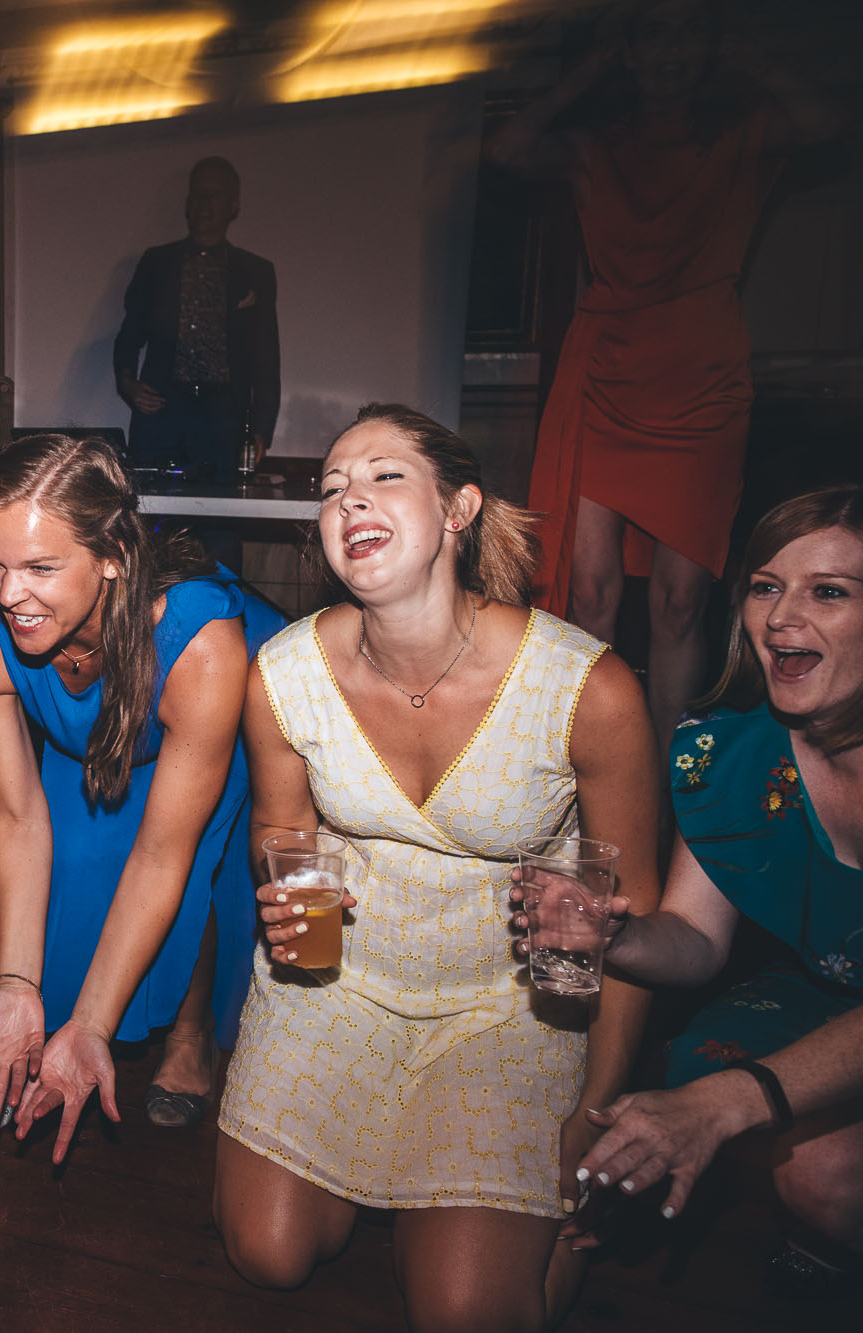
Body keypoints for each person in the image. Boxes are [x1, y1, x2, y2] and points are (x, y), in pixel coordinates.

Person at [213, 405, 660, 1332]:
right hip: (336, 985)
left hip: (511, 1006)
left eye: (382, 476)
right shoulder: (284, 671)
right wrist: (293, 904)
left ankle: (514, 1234)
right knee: (268, 1255)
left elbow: (638, 918)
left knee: (466, 1315)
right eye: (330, 488)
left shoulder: (587, 687)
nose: (349, 500)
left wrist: (599, 1099)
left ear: (459, 508)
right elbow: (281, 834)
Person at [486, 0, 842, 756]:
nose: (671, 47)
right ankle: (591, 759)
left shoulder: (738, 137)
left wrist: (750, 56)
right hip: (607, 370)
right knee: (590, 594)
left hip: (702, 381)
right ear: (629, 48)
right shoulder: (597, 144)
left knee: (682, 603)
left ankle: (660, 779)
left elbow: (828, 125)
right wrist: (590, 67)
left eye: (688, 31)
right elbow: (511, 148)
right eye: (654, 32)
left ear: (710, 47)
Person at [533, 484, 863, 1294]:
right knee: (730, 1102)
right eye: (765, 586)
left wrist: (728, 1103)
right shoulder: (735, 753)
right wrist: (618, 935)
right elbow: (695, 937)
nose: (782, 617)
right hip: (830, 990)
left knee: (799, 1156)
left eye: (828, 591)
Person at [0, 433, 280, 1159]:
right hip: (84, 731)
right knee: (77, 870)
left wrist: (90, 1025)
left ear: (112, 556)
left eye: (40, 567)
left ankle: (189, 1034)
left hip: (205, 702)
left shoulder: (203, 644)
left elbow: (163, 855)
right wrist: (13, 979)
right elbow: (19, 815)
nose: (7, 592)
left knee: (188, 880)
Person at [112, 157, 280, 482]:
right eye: (197, 194)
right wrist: (128, 383)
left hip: (224, 419)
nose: (203, 203)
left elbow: (266, 356)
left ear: (234, 205)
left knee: (220, 523)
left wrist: (261, 429)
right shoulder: (156, 263)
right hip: (161, 412)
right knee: (152, 517)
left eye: (214, 195)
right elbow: (130, 333)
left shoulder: (255, 271)